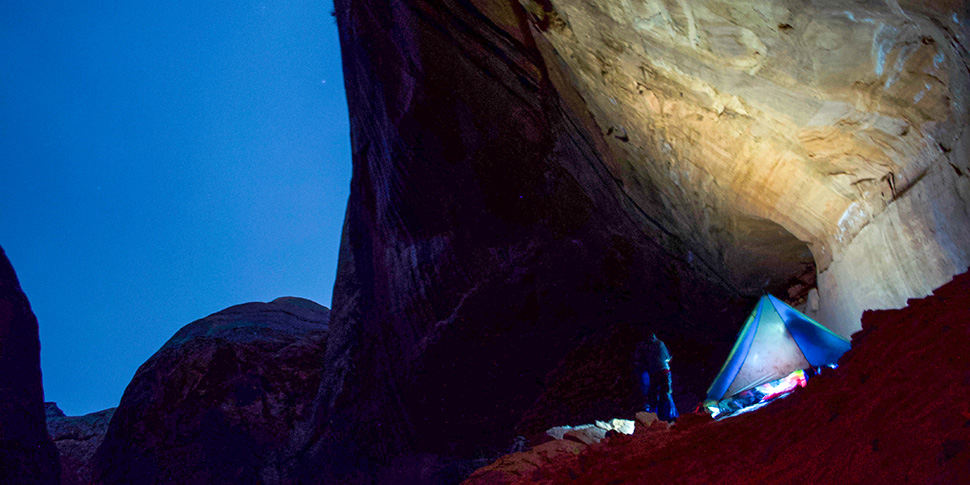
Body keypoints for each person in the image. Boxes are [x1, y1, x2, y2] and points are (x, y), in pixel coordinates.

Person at [634, 333, 678, 421]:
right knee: (666, 393)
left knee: (655, 395)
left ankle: (659, 416)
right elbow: (667, 357)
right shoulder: (659, 343)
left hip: (653, 373)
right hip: (663, 371)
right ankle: (669, 416)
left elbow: (639, 360)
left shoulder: (643, 346)